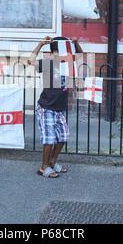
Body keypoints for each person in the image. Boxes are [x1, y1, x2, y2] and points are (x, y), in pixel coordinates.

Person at [28, 36, 83, 178]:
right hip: (46, 107)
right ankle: (44, 167)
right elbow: (30, 61)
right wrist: (40, 44)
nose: (63, 55)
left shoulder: (68, 64)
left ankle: (52, 161)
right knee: (49, 139)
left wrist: (75, 44)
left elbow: (80, 56)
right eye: (59, 51)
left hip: (59, 108)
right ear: (53, 52)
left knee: (63, 137)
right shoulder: (48, 63)